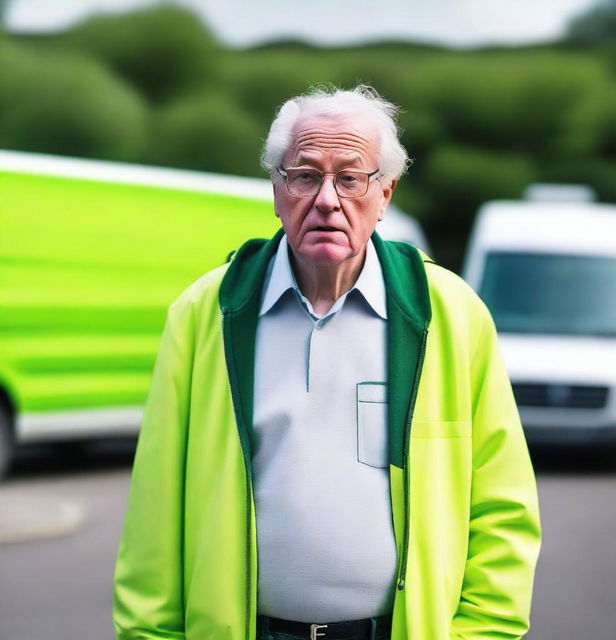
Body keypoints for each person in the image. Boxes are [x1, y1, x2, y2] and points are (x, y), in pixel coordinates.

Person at [113, 85, 541, 640]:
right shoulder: (206, 312)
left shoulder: (451, 314)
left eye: (350, 178)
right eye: (306, 175)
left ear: (385, 193)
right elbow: (156, 511)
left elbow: (502, 507)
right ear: (277, 190)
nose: (327, 200)